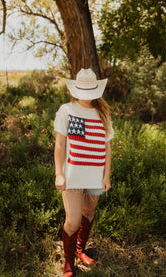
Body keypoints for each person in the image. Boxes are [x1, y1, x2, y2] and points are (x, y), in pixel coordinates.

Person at [54, 68, 114, 277]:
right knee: (73, 220)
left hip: (96, 174)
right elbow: (60, 145)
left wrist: (106, 176)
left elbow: (107, 148)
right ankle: (68, 262)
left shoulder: (103, 113)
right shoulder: (66, 110)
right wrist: (59, 173)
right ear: (76, 90)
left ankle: (79, 250)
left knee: (89, 213)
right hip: (73, 174)